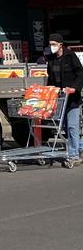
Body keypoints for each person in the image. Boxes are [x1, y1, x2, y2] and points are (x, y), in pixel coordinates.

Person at [46, 34, 83, 164]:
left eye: (54, 44)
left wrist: (74, 88)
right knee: (66, 127)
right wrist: (49, 92)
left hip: (72, 98)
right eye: (50, 44)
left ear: (60, 45)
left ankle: (74, 155)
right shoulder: (51, 59)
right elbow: (50, 78)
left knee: (73, 126)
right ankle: (79, 147)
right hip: (60, 98)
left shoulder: (70, 56)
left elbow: (80, 73)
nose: (52, 47)